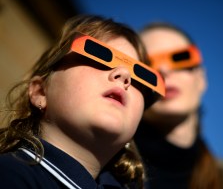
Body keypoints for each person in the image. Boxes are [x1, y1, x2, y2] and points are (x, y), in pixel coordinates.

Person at [0, 15, 165, 189]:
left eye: (139, 77)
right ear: (40, 92)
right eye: (97, 55)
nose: (124, 75)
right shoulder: (9, 176)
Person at [134, 22, 223, 189]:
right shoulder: (107, 166)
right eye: (147, 64)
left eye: (180, 57)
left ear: (201, 78)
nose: (164, 70)